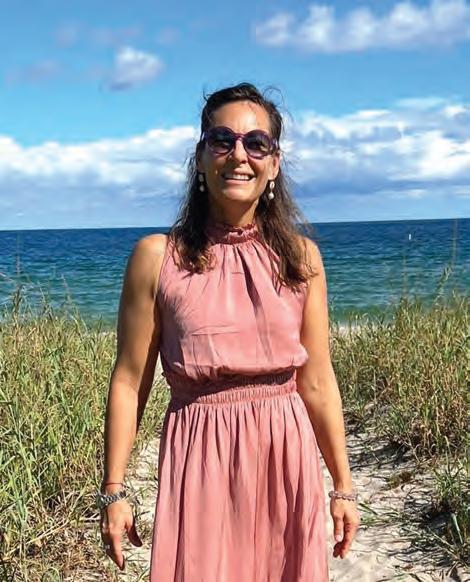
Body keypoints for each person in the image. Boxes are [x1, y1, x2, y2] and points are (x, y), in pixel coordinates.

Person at [98, 82, 360, 581]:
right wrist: (114, 489)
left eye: (256, 143)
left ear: (274, 164)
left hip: (285, 453)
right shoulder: (157, 258)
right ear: (200, 158)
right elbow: (130, 381)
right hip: (200, 455)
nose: (239, 155)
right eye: (222, 140)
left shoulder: (302, 259)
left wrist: (343, 487)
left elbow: (318, 381)